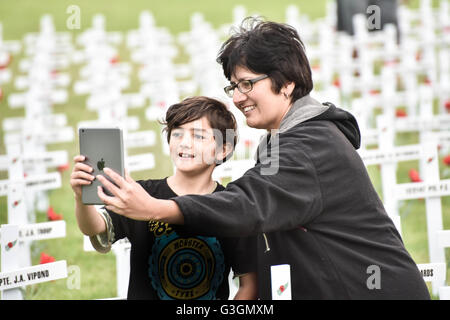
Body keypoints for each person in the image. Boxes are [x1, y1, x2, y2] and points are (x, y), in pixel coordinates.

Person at [96, 18, 430, 300]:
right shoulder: (283, 141)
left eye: (247, 84)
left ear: (286, 84)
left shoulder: (311, 145)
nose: (238, 98)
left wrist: (157, 208)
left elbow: (250, 204)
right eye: (233, 87)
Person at [70, 96, 257, 300]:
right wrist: (81, 198)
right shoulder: (141, 194)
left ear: (223, 149)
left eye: (198, 136)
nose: (184, 143)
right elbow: (95, 228)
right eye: (177, 134)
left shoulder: (232, 206)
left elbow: (248, 285)